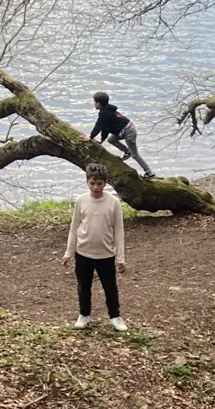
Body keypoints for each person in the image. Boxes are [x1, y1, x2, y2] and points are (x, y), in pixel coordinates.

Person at [63, 163, 128, 332]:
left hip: (106, 253)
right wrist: (69, 252)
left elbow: (119, 231)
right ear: (87, 182)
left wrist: (120, 258)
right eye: (92, 183)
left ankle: (115, 316)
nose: (96, 187)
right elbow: (74, 227)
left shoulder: (113, 203)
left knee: (110, 287)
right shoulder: (81, 201)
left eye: (99, 183)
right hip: (83, 252)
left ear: (105, 183)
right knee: (83, 286)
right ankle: (84, 315)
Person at [89, 92, 154, 176]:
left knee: (135, 155)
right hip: (126, 129)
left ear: (98, 103)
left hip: (128, 132)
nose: (93, 104)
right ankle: (127, 151)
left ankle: (149, 172)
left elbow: (99, 126)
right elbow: (105, 127)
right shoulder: (107, 110)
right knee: (111, 139)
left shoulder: (104, 113)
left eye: (94, 102)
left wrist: (90, 137)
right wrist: (102, 139)